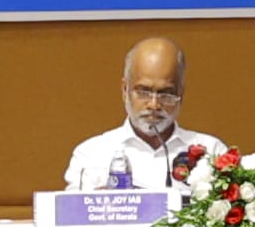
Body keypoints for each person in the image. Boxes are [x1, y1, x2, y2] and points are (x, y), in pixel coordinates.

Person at [57, 37, 226, 198]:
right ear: (125, 90)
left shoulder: (212, 152)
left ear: (180, 95)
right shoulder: (91, 155)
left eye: (166, 93)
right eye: (144, 92)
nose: (154, 104)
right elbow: (72, 215)